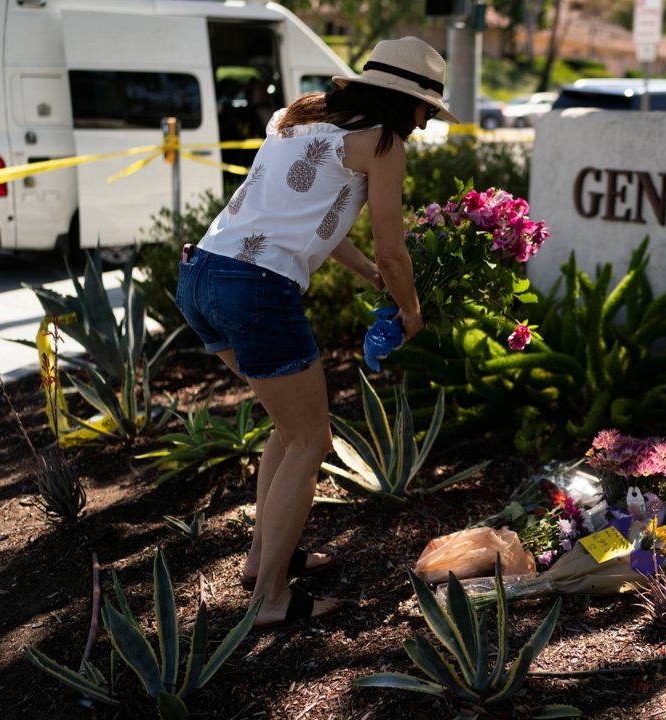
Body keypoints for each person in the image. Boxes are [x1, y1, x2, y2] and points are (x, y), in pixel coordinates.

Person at [174, 37, 458, 627]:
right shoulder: (382, 143)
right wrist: (409, 308)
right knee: (311, 443)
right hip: (255, 291)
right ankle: (270, 600)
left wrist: (369, 275)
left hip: (201, 275)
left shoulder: (294, 117)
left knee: (290, 428)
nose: (427, 126)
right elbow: (391, 244)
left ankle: (261, 561)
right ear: (406, 103)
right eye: (428, 112)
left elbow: (300, 220)